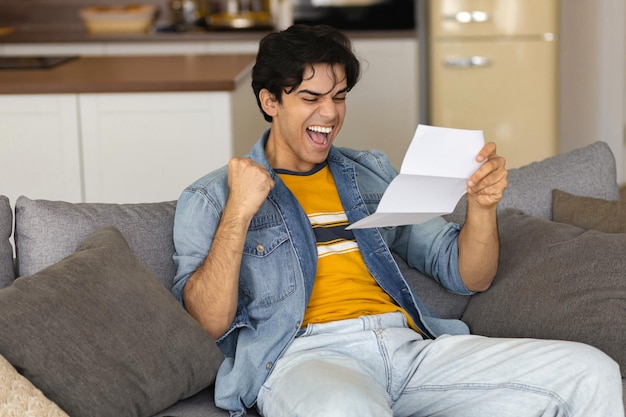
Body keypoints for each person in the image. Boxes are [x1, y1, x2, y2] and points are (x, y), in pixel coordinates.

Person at [171, 24, 623, 417]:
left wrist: (482, 208)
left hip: (409, 350)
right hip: (305, 360)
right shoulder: (212, 197)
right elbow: (207, 323)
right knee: (345, 409)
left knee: (591, 371)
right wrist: (239, 212)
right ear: (270, 100)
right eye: (310, 98)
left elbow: (468, 275)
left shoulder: (370, 171)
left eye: (339, 97)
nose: (329, 114)